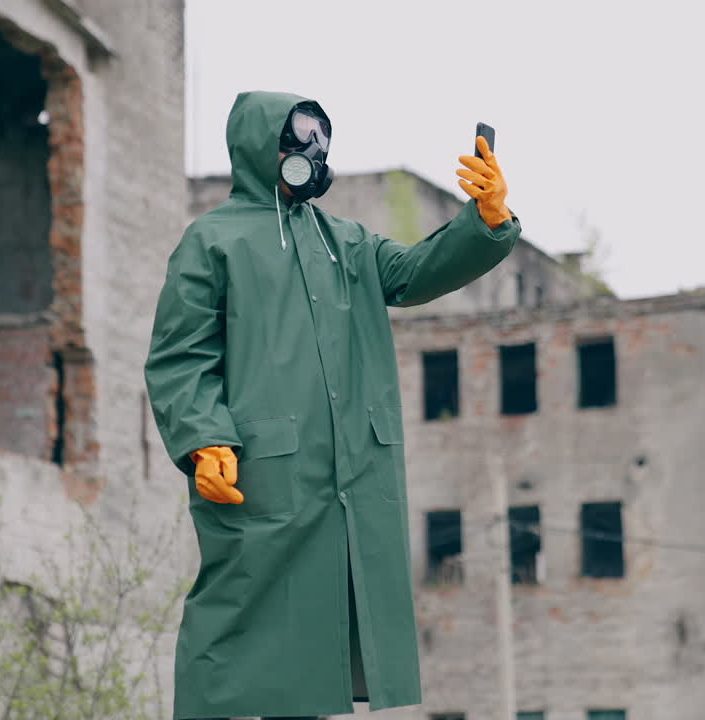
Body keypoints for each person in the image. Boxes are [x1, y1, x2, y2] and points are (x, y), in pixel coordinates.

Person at [144, 90, 519, 720]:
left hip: (351, 475)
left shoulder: (344, 241)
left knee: (319, 643)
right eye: (298, 139)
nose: (312, 154)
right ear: (264, 147)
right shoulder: (213, 240)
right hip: (262, 473)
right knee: (237, 619)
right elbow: (182, 355)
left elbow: (416, 270)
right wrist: (205, 438)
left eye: (321, 140)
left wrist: (484, 219)